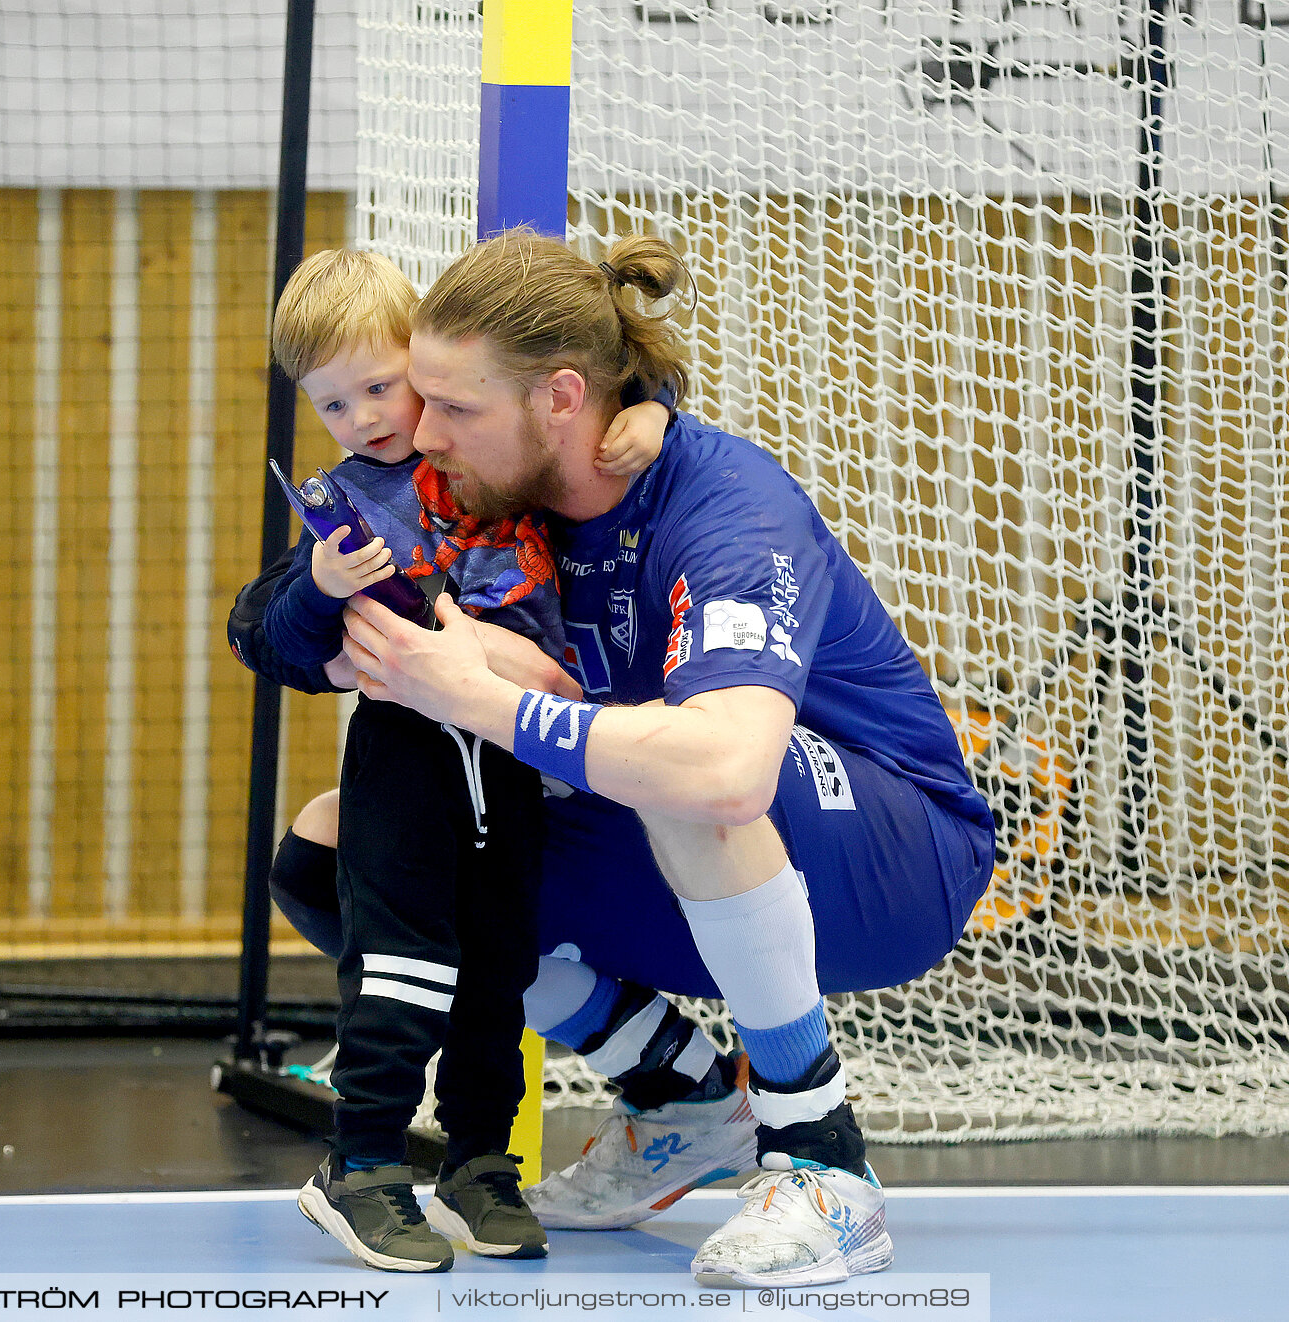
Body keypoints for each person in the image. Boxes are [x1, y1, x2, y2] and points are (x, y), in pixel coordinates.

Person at [326, 228, 996, 1289]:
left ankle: (823, 1157)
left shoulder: (725, 506)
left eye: (454, 408)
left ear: (557, 398)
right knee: (349, 849)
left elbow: (728, 767)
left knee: (689, 768)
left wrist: (486, 693)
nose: (422, 430)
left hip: (894, 854)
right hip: (698, 837)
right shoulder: (514, 494)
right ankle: (680, 1094)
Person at [257, 247, 671, 1273]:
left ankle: (480, 1160)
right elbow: (269, 632)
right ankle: (361, 1163)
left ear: (424, 369)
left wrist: (653, 411)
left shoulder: (489, 463)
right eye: (332, 403)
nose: (362, 417)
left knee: (499, 969)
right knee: (400, 964)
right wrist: (318, 586)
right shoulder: (344, 505)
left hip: (512, 756)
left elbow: (598, 396)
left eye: (378, 386)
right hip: (408, 755)